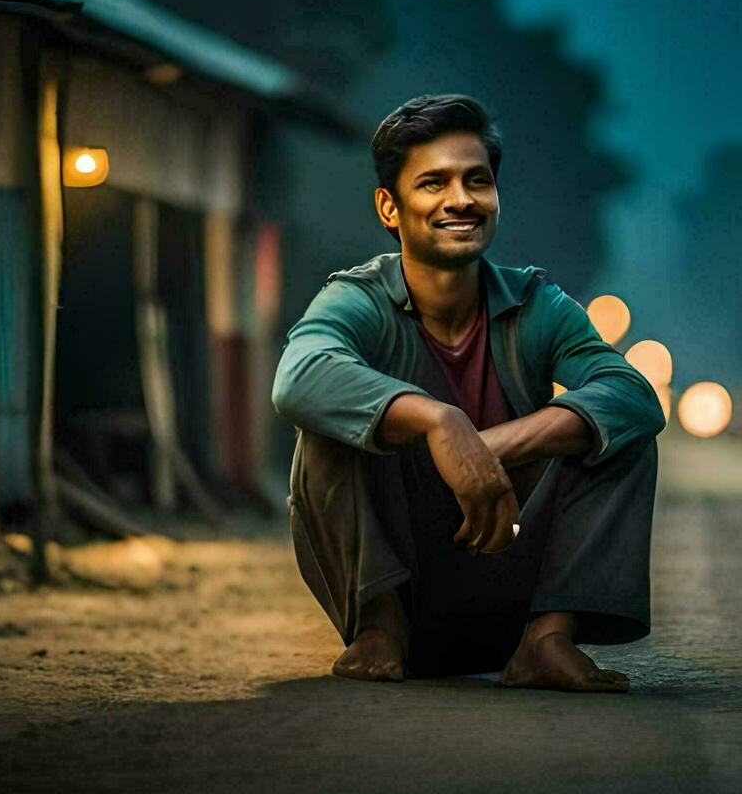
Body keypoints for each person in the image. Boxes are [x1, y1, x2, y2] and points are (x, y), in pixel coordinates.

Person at [271, 94, 665, 692]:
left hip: (512, 589)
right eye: (433, 183)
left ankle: (547, 641)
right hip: (399, 597)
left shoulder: (536, 305)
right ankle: (379, 629)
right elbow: (299, 376)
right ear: (390, 207)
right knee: (324, 432)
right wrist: (438, 421)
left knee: (620, 435)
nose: (460, 199)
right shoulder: (357, 300)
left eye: (476, 181)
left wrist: (487, 449)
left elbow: (632, 394)